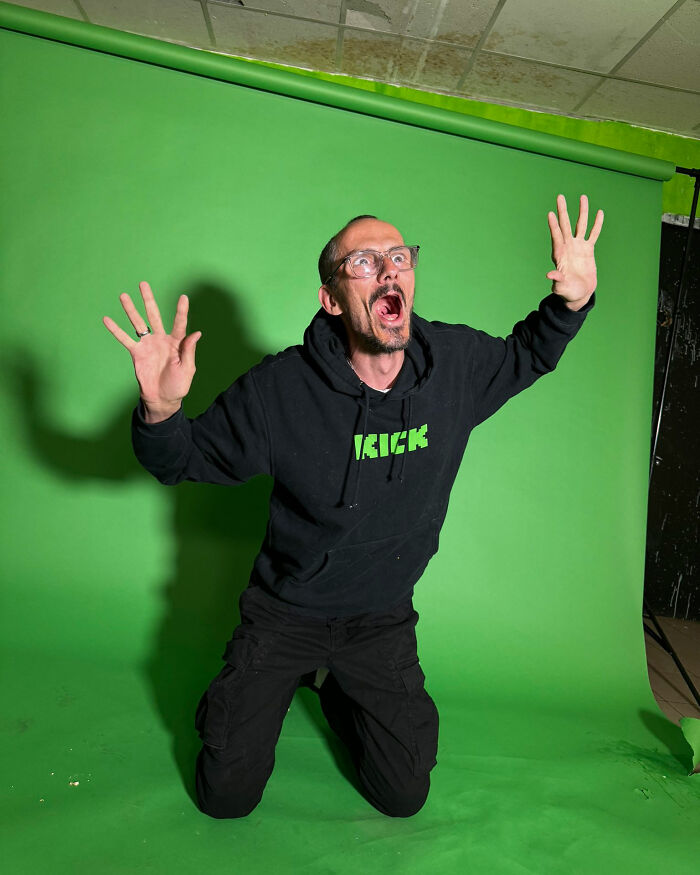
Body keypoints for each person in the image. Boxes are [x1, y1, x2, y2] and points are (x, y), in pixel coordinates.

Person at [103, 195, 604, 819]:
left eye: (399, 257)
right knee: (223, 798)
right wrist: (161, 409)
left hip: (379, 619)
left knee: (403, 796)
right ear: (332, 299)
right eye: (364, 263)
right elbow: (181, 461)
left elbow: (529, 353)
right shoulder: (279, 390)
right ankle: (251, 693)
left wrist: (572, 300)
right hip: (285, 614)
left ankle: (335, 689)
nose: (389, 270)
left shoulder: (454, 365)